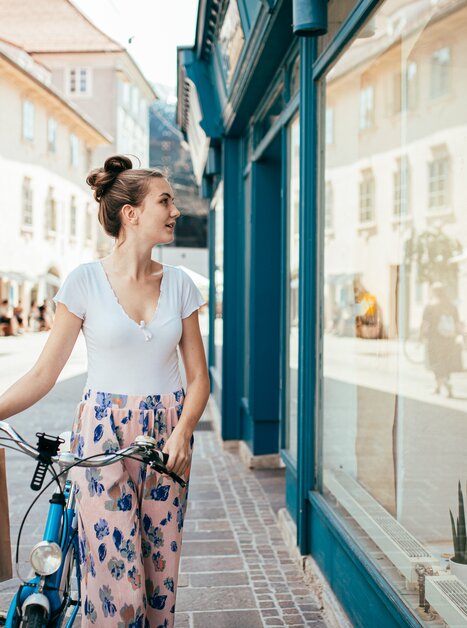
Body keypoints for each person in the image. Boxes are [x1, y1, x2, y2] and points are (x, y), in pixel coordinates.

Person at [0, 155, 210, 627]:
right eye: (165, 201)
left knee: (159, 583)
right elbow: (43, 374)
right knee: (117, 585)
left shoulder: (179, 285)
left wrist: (183, 432)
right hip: (102, 437)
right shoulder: (84, 282)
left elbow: (198, 378)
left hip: (168, 442)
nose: (175, 211)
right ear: (132, 214)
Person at [421, 281, 463, 397]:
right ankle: (438, 387)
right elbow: (457, 323)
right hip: (449, 339)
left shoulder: (430, 307)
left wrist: (423, 336)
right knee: (445, 362)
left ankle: (446, 384)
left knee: (435, 362)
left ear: (433, 292)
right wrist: (461, 335)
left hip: (434, 339)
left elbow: (425, 324)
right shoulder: (451, 306)